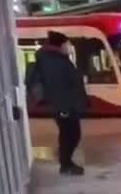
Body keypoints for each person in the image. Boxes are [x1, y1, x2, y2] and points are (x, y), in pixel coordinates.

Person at [26, 30, 88, 175]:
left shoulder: (56, 59)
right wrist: (64, 108)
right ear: (60, 44)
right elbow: (57, 86)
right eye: (67, 43)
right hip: (64, 105)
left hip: (65, 104)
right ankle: (66, 164)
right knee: (70, 134)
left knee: (70, 134)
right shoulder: (54, 61)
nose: (69, 46)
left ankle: (66, 163)